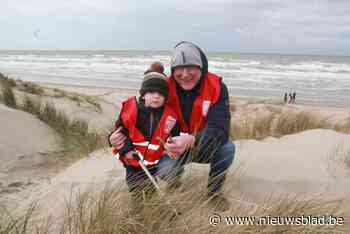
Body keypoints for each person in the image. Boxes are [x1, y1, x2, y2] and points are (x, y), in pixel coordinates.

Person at [110, 42, 235, 211]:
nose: (184, 74)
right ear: (173, 70)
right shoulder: (163, 88)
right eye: (179, 69)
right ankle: (175, 180)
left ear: (201, 67)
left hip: (203, 143)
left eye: (190, 67)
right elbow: (138, 115)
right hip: (170, 148)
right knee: (166, 169)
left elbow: (220, 129)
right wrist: (114, 137)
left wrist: (192, 140)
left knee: (227, 149)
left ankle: (214, 191)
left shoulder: (217, 87)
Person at [110, 68, 180, 212]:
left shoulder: (169, 115)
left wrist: (171, 144)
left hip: (153, 162)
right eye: (151, 92)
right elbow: (120, 133)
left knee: (151, 187)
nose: (156, 97)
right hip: (132, 161)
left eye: (161, 94)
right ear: (143, 94)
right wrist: (126, 150)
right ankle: (137, 210)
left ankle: (151, 207)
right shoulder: (132, 111)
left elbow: (174, 134)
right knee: (135, 187)